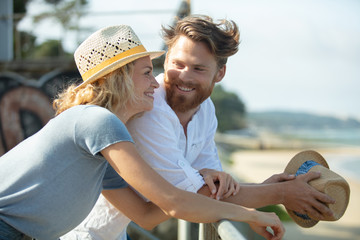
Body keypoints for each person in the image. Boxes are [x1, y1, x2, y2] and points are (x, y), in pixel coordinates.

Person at [0, 25, 284, 240]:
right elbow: (173, 201)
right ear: (121, 78)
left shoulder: (105, 147)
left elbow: (148, 215)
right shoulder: (97, 122)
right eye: (147, 73)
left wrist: (254, 189)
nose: (155, 83)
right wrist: (250, 214)